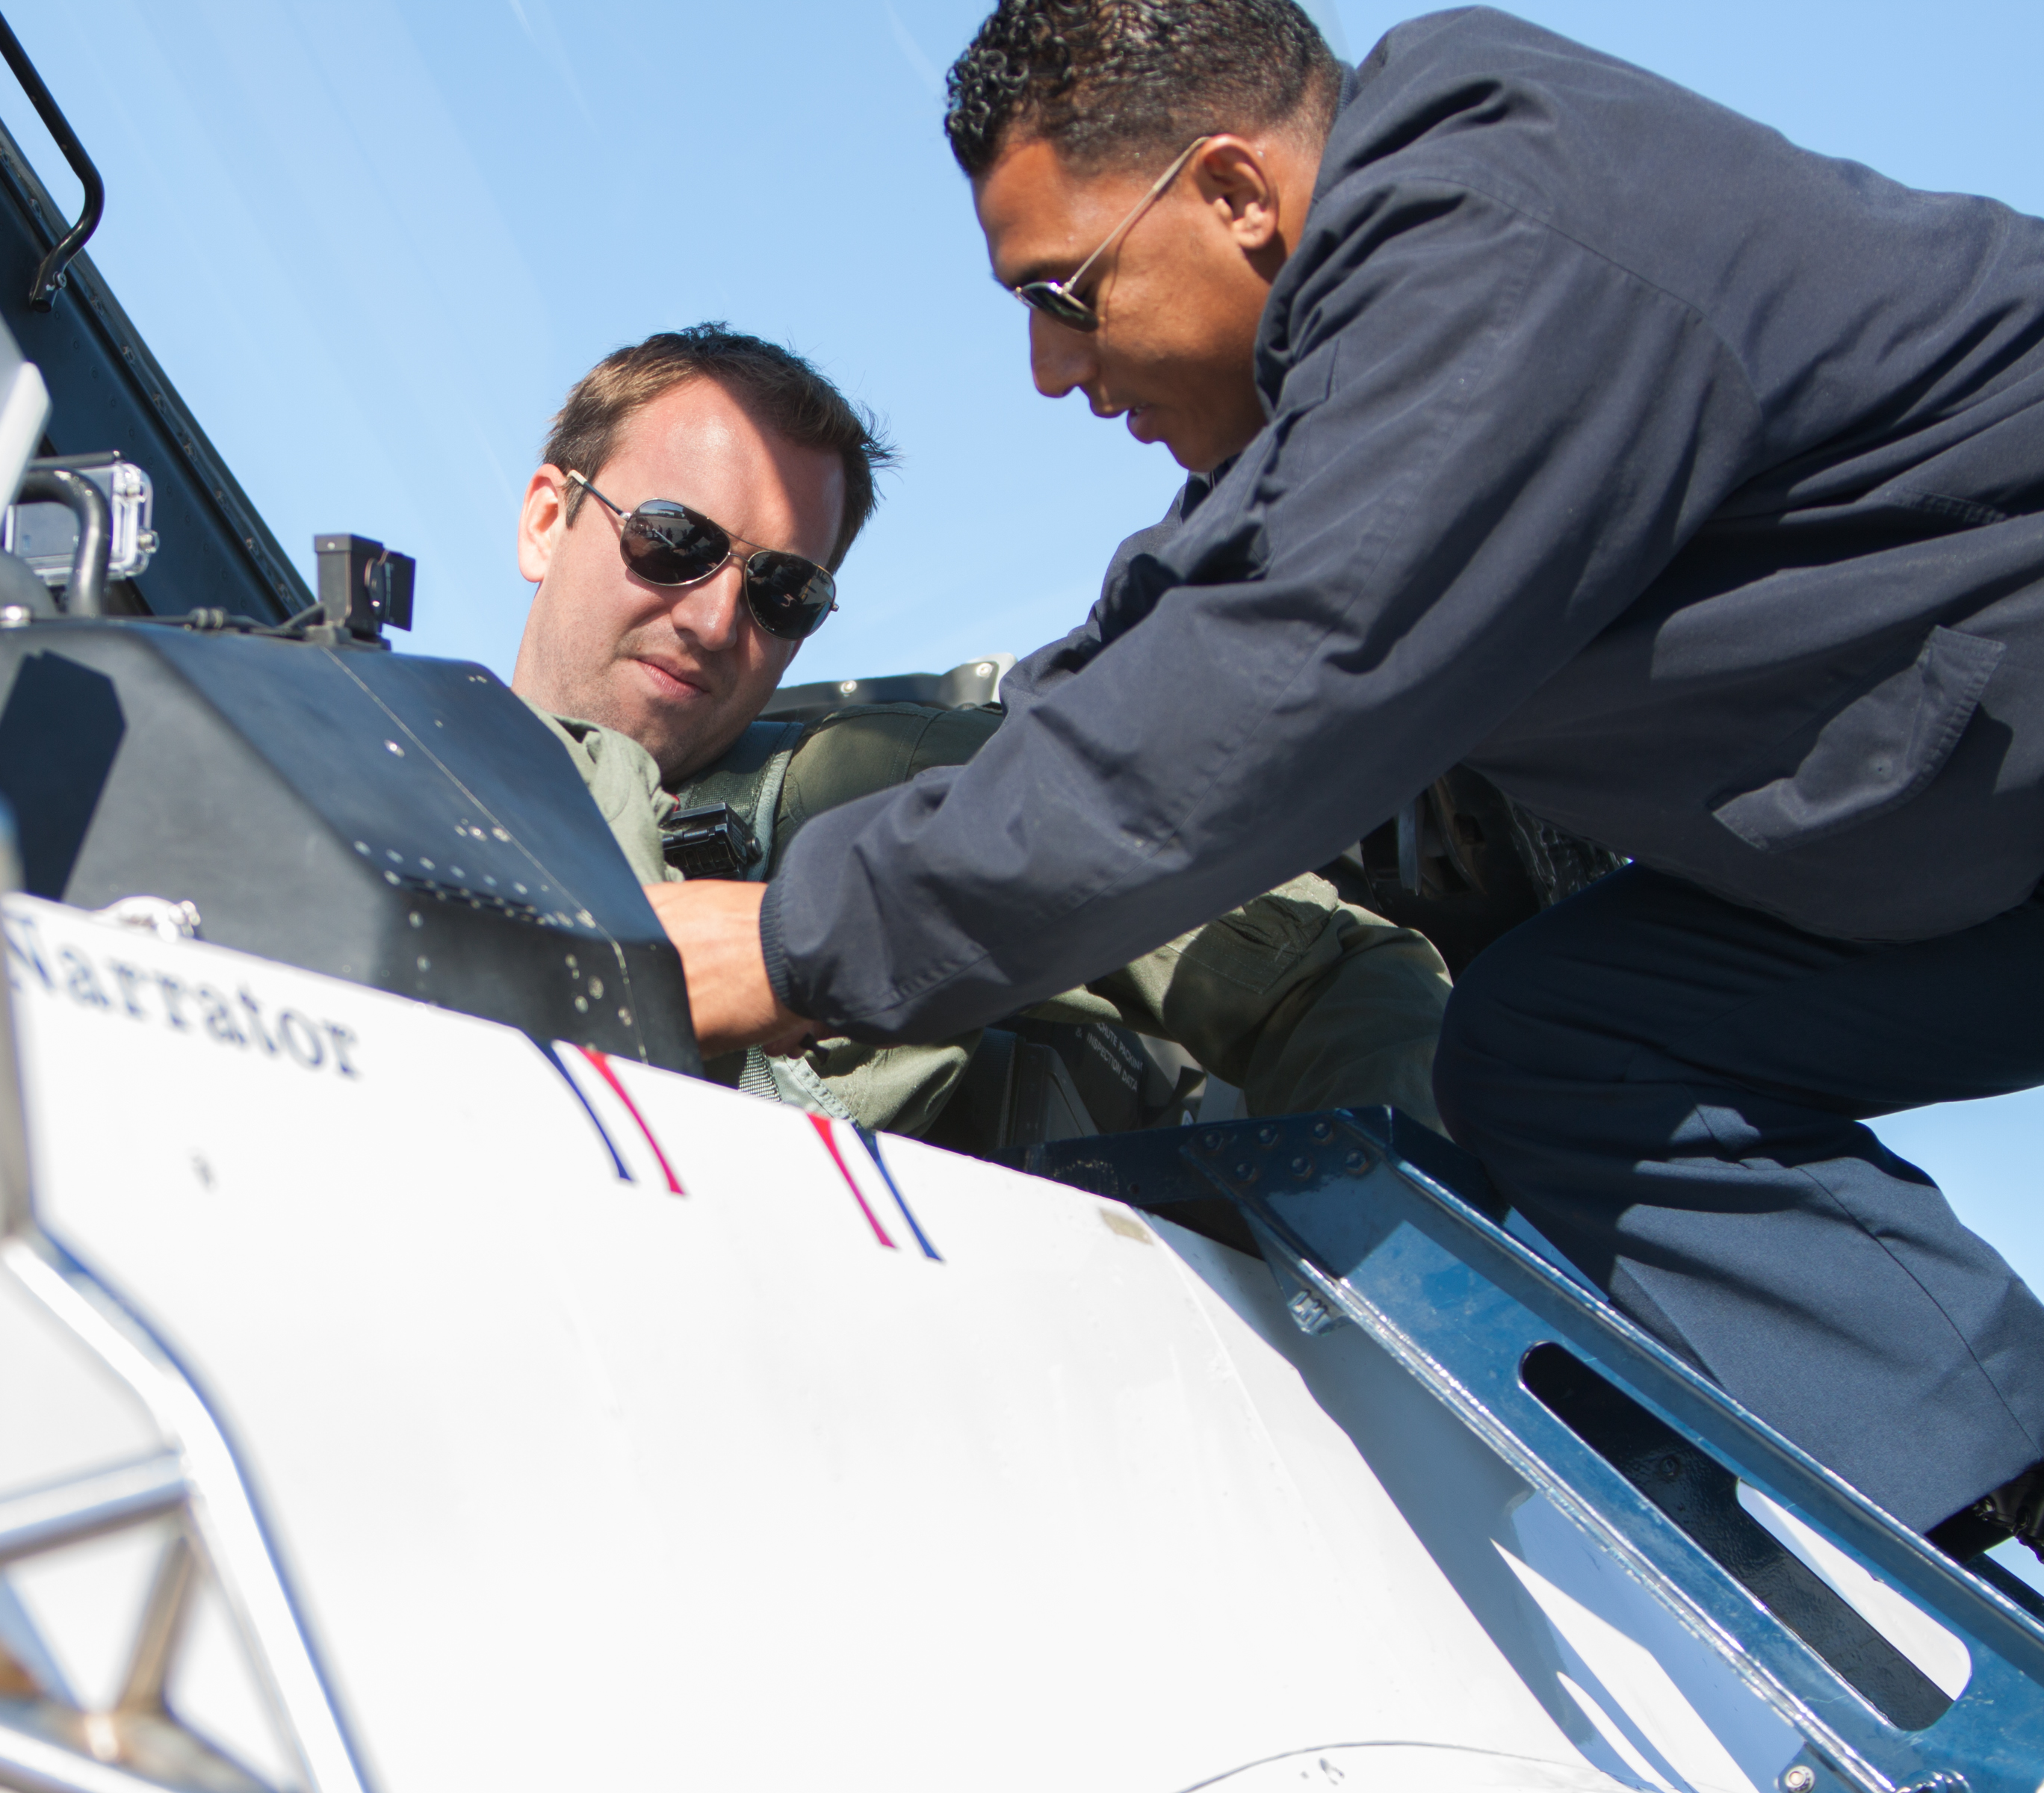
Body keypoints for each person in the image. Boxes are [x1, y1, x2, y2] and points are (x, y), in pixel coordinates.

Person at [647, 0, 2044, 1556]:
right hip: (1970, 848)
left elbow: (1277, 684)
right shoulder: (1387, 365)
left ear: (1236, 192)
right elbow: (1183, 628)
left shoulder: (1502, 237)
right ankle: (2002, 1485)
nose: (1048, 368)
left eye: (1063, 294)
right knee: (1567, 1042)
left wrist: (798, 944)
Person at [508, 322, 1451, 1140]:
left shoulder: (880, 793)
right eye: (676, 540)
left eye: (782, 591)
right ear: (548, 521)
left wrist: (1352, 1247)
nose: (716, 622)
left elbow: (1338, 969)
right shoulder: (414, 752)